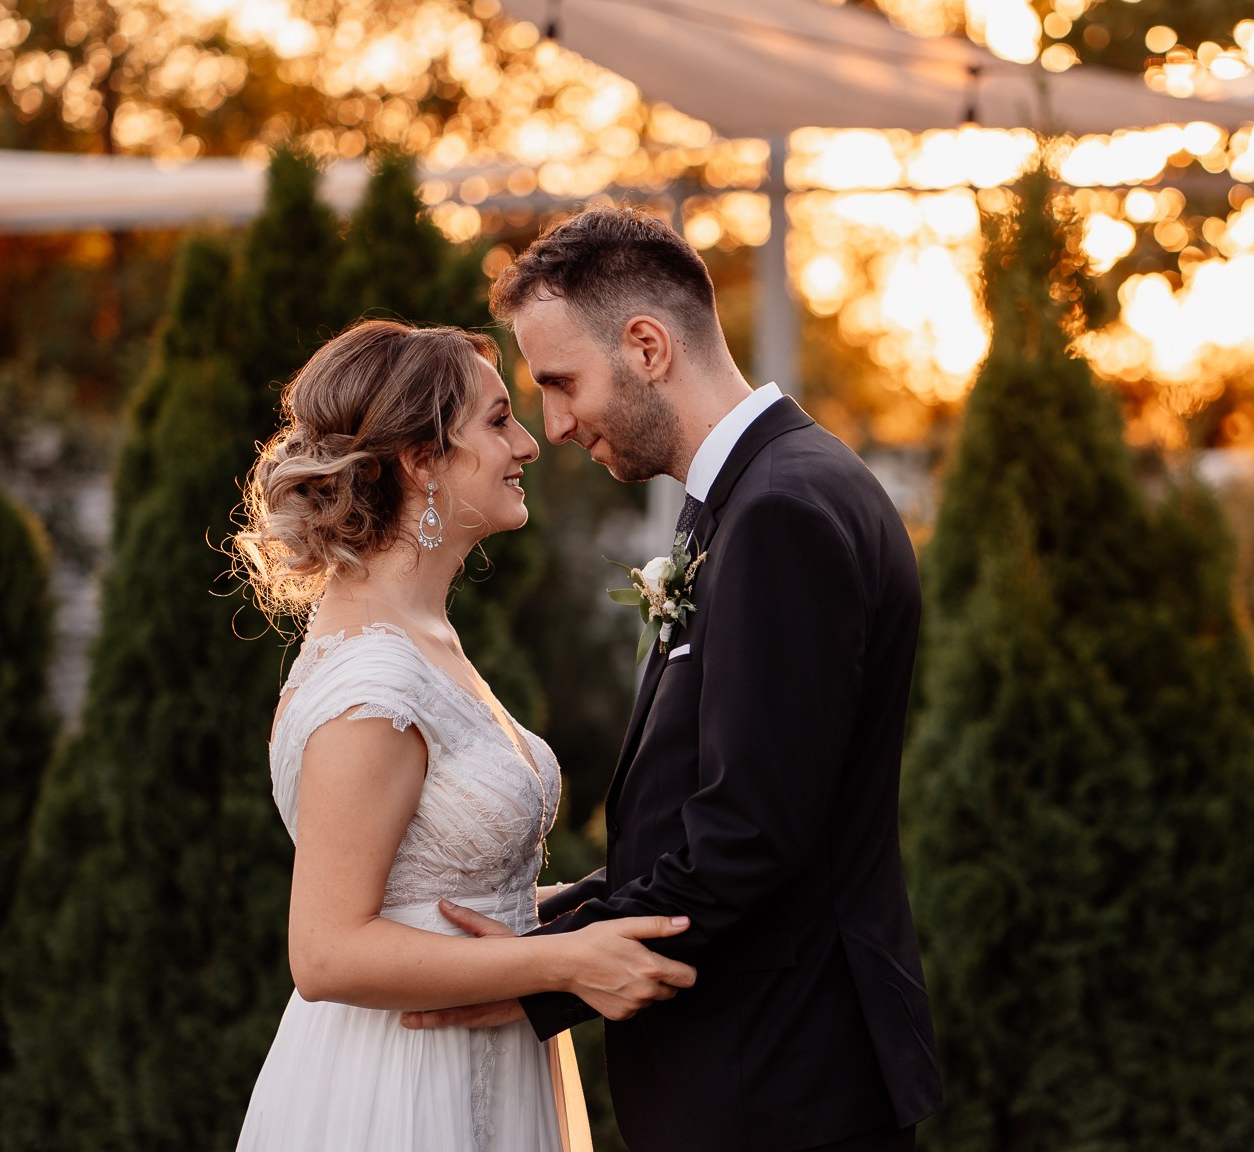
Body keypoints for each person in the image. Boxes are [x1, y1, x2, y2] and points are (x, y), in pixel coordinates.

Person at [402, 208, 943, 1152]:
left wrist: (542, 972)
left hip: (773, 1086)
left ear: (647, 347)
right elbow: (726, 809)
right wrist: (556, 913)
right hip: (764, 1072)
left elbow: (751, 834)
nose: (554, 426)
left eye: (561, 383)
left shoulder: (780, 512)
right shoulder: (762, 494)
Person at [231, 319, 697, 1152]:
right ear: (422, 459)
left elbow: (447, 894)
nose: (528, 444)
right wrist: (565, 963)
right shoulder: (370, 682)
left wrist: (601, 912)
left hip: (488, 1058)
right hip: (401, 1088)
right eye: (498, 420)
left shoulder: (427, 638)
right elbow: (327, 953)